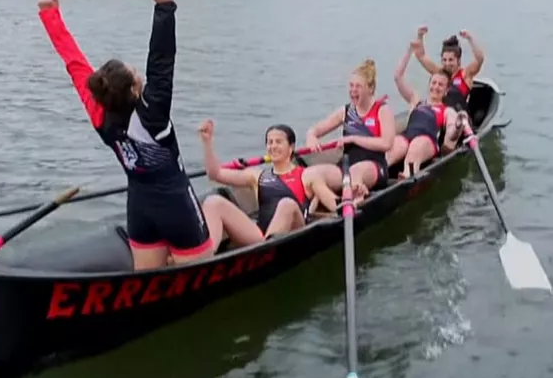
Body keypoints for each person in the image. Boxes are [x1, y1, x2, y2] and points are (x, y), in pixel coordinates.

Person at [37, 0, 219, 270]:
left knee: (149, 280)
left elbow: (74, 63)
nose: (139, 72)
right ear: (135, 89)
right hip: (177, 208)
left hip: (140, 211)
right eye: (136, 73)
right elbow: (161, 60)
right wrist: (164, 6)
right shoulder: (152, 112)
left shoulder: (99, 113)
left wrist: (50, 15)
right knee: (200, 274)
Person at [198, 121, 337, 245]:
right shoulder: (257, 175)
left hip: (295, 232)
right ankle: (207, 254)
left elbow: (335, 203)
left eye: (278, 142)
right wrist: (207, 142)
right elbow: (215, 174)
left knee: (287, 204)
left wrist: (354, 197)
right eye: (270, 142)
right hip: (261, 236)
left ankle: (266, 249)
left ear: (291, 147)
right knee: (213, 202)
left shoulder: (306, 175)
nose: (273, 146)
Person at [305, 57, 397, 201]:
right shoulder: (346, 111)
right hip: (346, 166)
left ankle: (353, 199)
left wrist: (353, 138)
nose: (353, 90)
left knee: (355, 172)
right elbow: (314, 130)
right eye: (351, 85)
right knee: (310, 174)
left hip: (374, 167)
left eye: (358, 86)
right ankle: (336, 204)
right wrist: (311, 137)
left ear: (370, 88)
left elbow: (387, 144)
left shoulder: (382, 110)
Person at [388, 41, 466, 179]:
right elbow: (397, 77)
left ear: (446, 91)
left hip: (427, 141)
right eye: (434, 83)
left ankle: (407, 176)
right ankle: (374, 177)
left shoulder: (447, 110)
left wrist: (458, 127)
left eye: (440, 85)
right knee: (395, 146)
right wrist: (409, 50)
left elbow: (451, 131)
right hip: (407, 137)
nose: (436, 87)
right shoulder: (416, 100)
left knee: (416, 146)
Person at [412, 25, 485, 113]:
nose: (447, 64)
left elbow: (479, 59)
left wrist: (470, 39)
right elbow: (421, 56)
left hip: (458, 117)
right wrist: (420, 36)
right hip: (439, 114)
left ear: (458, 60)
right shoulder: (439, 73)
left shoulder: (465, 74)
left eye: (451, 60)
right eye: (444, 60)